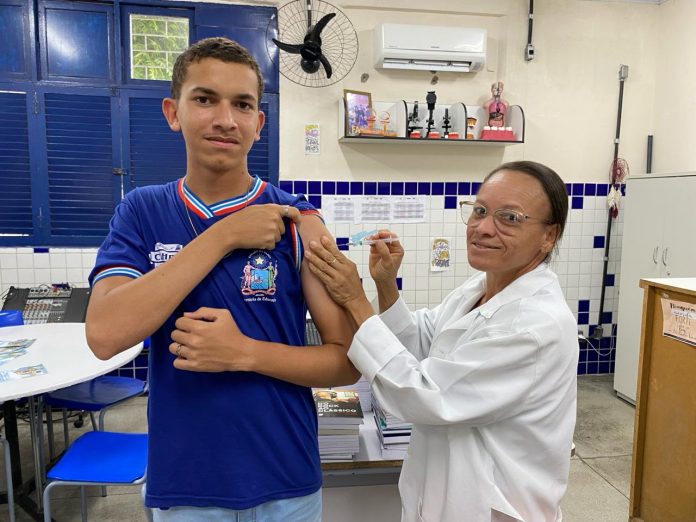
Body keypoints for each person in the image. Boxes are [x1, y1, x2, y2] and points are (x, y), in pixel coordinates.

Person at [85, 37, 359, 521]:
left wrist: (244, 353)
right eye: (205, 99)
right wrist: (224, 235)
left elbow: (347, 363)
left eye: (243, 104)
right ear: (173, 112)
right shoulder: (141, 212)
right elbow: (105, 336)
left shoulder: (299, 222)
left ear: (259, 123)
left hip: (286, 480)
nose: (226, 119)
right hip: (187, 482)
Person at [305, 161, 578, 522]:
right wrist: (385, 284)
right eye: (480, 211)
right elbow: (422, 341)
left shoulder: (534, 326)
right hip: (442, 494)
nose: (483, 228)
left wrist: (355, 300)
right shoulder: (481, 288)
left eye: (509, 218)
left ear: (549, 235)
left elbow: (424, 394)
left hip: (489, 509)